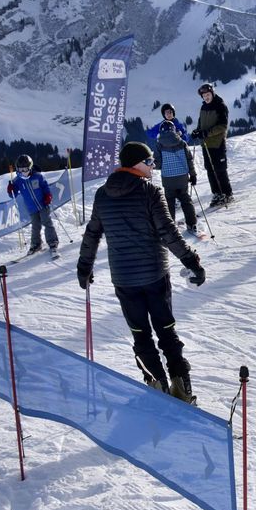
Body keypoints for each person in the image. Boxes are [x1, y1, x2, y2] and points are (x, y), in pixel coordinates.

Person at [76, 142, 205, 403]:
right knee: (166, 331)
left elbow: (92, 234)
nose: (153, 166)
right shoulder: (150, 192)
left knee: (140, 335)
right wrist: (191, 261)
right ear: (135, 164)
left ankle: (157, 387)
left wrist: (84, 267)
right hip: (155, 276)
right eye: (149, 162)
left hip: (124, 280)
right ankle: (182, 389)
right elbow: (168, 232)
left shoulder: (102, 195)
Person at [6, 154, 59, 257]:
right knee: (35, 226)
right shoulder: (17, 181)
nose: (23, 172)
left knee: (46, 222)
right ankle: (36, 244)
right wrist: (10, 189)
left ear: (30, 167)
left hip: (43, 204)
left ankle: (53, 243)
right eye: (21, 170)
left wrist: (48, 196)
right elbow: (13, 195)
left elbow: (45, 187)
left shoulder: (38, 176)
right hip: (31, 208)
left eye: (25, 169)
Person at [190, 83, 233, 207]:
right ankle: (217, 194)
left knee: (220, 169)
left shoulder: (220, 106)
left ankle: (227, 194)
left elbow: (223, 126)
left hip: (218, 143)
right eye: (204, 96)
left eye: (208, 95)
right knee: (210, 170)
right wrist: (197, 131)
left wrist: (207, 133)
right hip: (206, 144)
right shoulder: (203, 108)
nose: (206, 97)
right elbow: (201, 124)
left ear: (212, 93)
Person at [155, 120, 200, 235]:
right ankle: (192, 224)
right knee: (186, 200)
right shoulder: (182, 143)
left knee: (169, 203)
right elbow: (189, 159)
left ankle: (170, 228)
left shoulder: (159, 144)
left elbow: (158, 164)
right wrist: (193, 175)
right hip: (182, 178)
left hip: (168, 179)